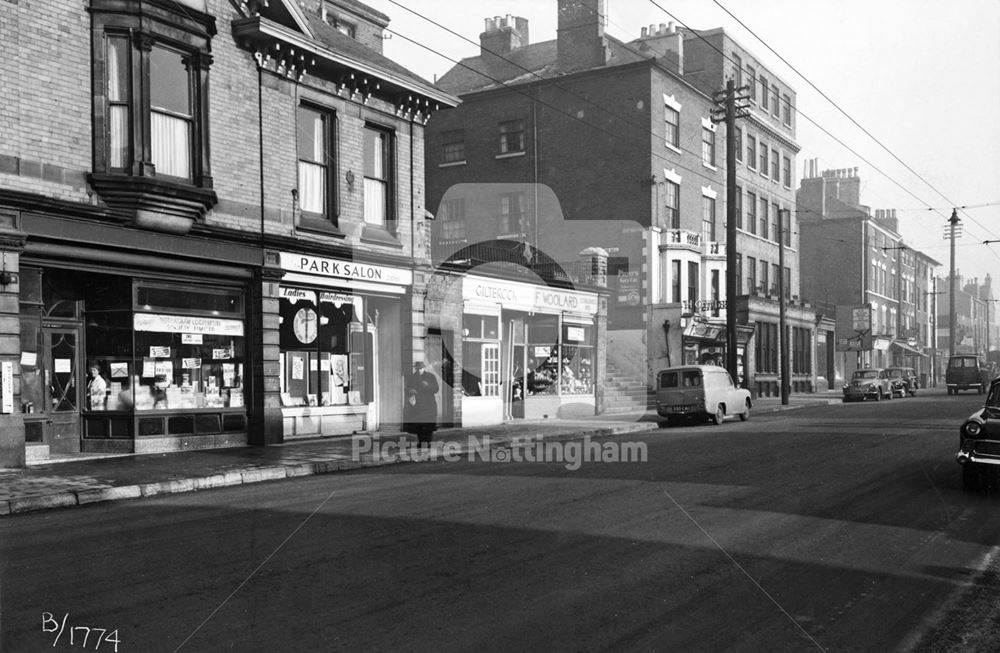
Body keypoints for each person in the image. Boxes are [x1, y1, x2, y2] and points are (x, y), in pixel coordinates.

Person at [406, 361, 439, 449]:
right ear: (415, 369)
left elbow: (436, 389)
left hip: (429, 404)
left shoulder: (430, 376)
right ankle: (420, 442)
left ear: (424, 368)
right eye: (417, 368)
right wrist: (410, 391)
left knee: (428, 425)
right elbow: (407, 388)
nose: (419, 370)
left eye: (421, 368)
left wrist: (428, 386)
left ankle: (428, 442)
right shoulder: (412, 378)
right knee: (419, 425)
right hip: (417, 404)